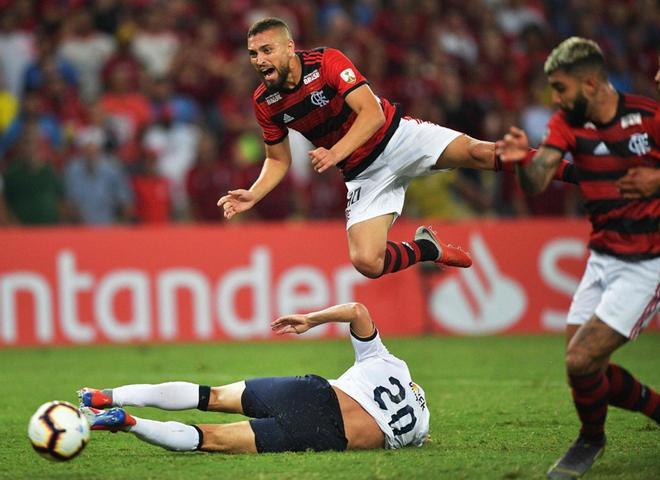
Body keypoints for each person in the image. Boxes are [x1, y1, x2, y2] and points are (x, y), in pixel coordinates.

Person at [217, 17, 576, 279]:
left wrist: (335, 152)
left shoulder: (326, 62)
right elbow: (277, 159)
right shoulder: (265, 101)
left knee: (481, 153)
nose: (259, 60)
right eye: (253, 53)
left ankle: (578, 172)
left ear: (290, 47)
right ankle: (427, 249)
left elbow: (371, 115)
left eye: (267, 50)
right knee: (367, 262)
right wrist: (254, 194)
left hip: (397, 138)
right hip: (363, 172)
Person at [496, 37, 659, 479]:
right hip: (602, 257)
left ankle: (590, 440)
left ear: (591, 83)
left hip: (648, 263)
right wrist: (519, 164)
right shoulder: (567, 123)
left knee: (581, 361)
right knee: (584, 365)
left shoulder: (649, 117)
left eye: (561, 88)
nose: (555, 98)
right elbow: (538, 178)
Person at [79, 303, 429, 454]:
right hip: (326, 433)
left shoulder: (390, 363)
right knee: (209, 439)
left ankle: (109, 394)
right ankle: (128, 423)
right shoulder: (420, 426)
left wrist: (310, 319)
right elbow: (410, 438)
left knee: (210, 395)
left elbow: (357, 310)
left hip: (311, 393)